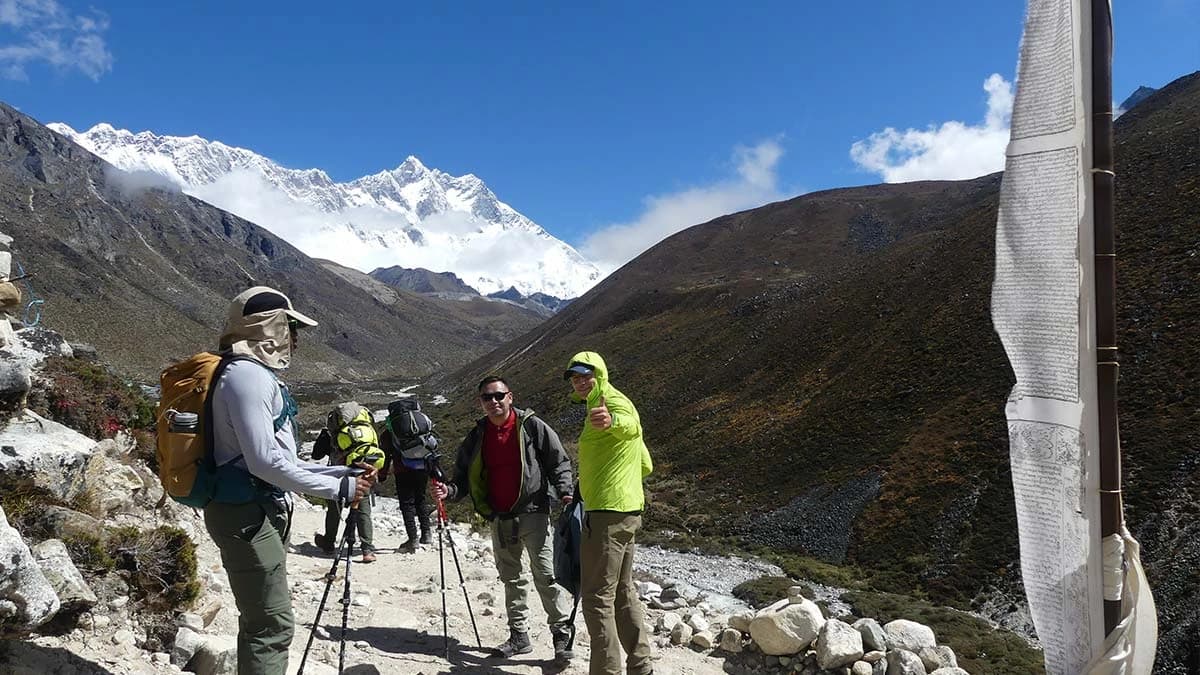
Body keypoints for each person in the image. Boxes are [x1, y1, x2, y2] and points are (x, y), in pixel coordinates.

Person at [204, 286, 373, 675]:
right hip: (246, 514)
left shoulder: (241, 373)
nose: (295, 339)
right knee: (273, 626)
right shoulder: (249, 377)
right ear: (271, 329)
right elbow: (265, 462)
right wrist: (339, 487)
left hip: (249, 509)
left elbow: (279, 459)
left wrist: (341, 473)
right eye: (290, 327)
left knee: (260, 621)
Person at [432, 376, 576, 661]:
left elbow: (558, 461)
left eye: (499, 396)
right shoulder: (478, 435)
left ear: (511, 396)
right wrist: (448, 491)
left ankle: (561, 634)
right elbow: (463, 476)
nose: (494, 402)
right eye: (488, 397)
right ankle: (519, 636)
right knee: (512, 579)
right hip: (501, 516)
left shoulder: (531, 426)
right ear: (481, 402)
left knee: (546, 575)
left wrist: (566, 493)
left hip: (534, 511)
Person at [564, 351, 654, 675]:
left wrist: (613, 422)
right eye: (574, 377)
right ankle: (641, 666)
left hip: (606, 514)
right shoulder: (596, 404)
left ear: (599, 373)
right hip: (626, 511)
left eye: (585, 375)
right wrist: (614, 472)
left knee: (596, 598)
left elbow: (629, 427)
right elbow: (645, 463)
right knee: (622, 591)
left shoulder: (612, 403)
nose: (579, 381)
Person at [311, 406, 379, 563]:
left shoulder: (333, 433)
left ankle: (328, 543)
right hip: (363, 472)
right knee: (363, 510)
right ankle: (367, 550)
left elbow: (316, 455)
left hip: (339, 473)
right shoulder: (367, 431)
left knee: (334, 509)